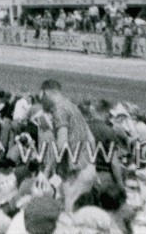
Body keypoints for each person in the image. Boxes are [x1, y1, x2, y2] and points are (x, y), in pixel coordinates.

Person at [41, 79, 97, 209]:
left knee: (69, 215)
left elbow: (62, 145)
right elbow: (91, 139)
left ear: (47, 93)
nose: (42, 101)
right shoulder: (72, 106)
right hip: (88, 168)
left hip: (75, 173)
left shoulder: (59, 110)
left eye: (42, 97)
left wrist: (46, 171)